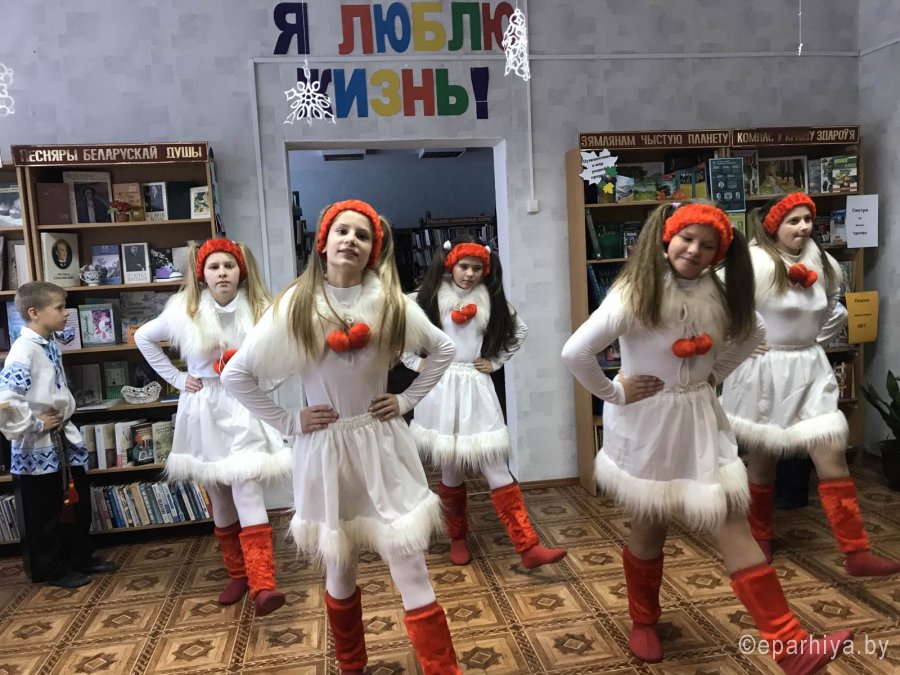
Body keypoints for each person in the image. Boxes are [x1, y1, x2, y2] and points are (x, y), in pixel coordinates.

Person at [561, 201, 850, 672]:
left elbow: (753, 331)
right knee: (649, 526)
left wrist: (714, 373)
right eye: (687, 239)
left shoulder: (720, 293)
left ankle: (790, 645)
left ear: (720, 253)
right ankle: (643, 621)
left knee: (731, 518)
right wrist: (614, 392)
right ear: (667, 238)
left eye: (708, 245)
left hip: (700, 418)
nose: (695, 250)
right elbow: (575, 352)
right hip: (647, 424)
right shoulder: (634, 292)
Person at [221, 200, 461, 674]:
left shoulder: (390, 302)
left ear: (373, 250)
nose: (351, 240)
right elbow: (236, 374)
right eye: (342, 231)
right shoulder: (297, 304)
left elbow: (443, 348)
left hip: (381, 443)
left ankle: (442, 669)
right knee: (339, 562)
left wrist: (407, 400)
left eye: (362, 235)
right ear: (323, 242)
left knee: (409, 560)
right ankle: (351, 665)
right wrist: (289, 421)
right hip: (324, 449)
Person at [720, 193, 900, 577]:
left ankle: (855, 551)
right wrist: (743, 340)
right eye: (794, 220)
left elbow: (835, 306)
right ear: (773, 226)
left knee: (831, 453)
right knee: (763, 459)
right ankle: (760, 536)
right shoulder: (751, 262)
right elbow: (718, 304)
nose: (803, 227)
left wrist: (814, 342)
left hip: (809, 369)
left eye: (807, 219)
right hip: (764, 372)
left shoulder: (824, 262)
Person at [135, 239, 291, 617]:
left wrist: (265, 385)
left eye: (229, 266)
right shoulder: (183, 311)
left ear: (241, 271)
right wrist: (176, 378)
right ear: (202, 275)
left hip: (243, 405)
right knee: (219, 495)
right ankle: (238, 574)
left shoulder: (261, 309)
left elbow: (286, 353)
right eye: (214, 267)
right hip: (204, 406)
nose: (222, 273)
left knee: (247, 486)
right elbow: (143, 337)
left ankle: (263, 584)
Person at [402, 236, 567, 569]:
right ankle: (458, 538)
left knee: (495, 465)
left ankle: (528, 546)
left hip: (476, 387)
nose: (470, 274)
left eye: (477, 268)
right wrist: (415, 362)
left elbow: (519, 330)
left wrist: (494, 361)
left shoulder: (491, 300)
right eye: (464, 266)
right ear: (450, 265)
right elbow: (396, 332)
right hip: (441, 388)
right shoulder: (427, 298)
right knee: (451, 468)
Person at [0, 282, 117, 588]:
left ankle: (78, 556)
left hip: (61, 437)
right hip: (38, 442)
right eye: (60, 308)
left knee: (74, 502)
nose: (67, 313)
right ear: (34, 312)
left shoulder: (48, 343)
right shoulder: (23, 350)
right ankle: (51, 568)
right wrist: (35, 423)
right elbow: (6, 398)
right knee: (44, 510)